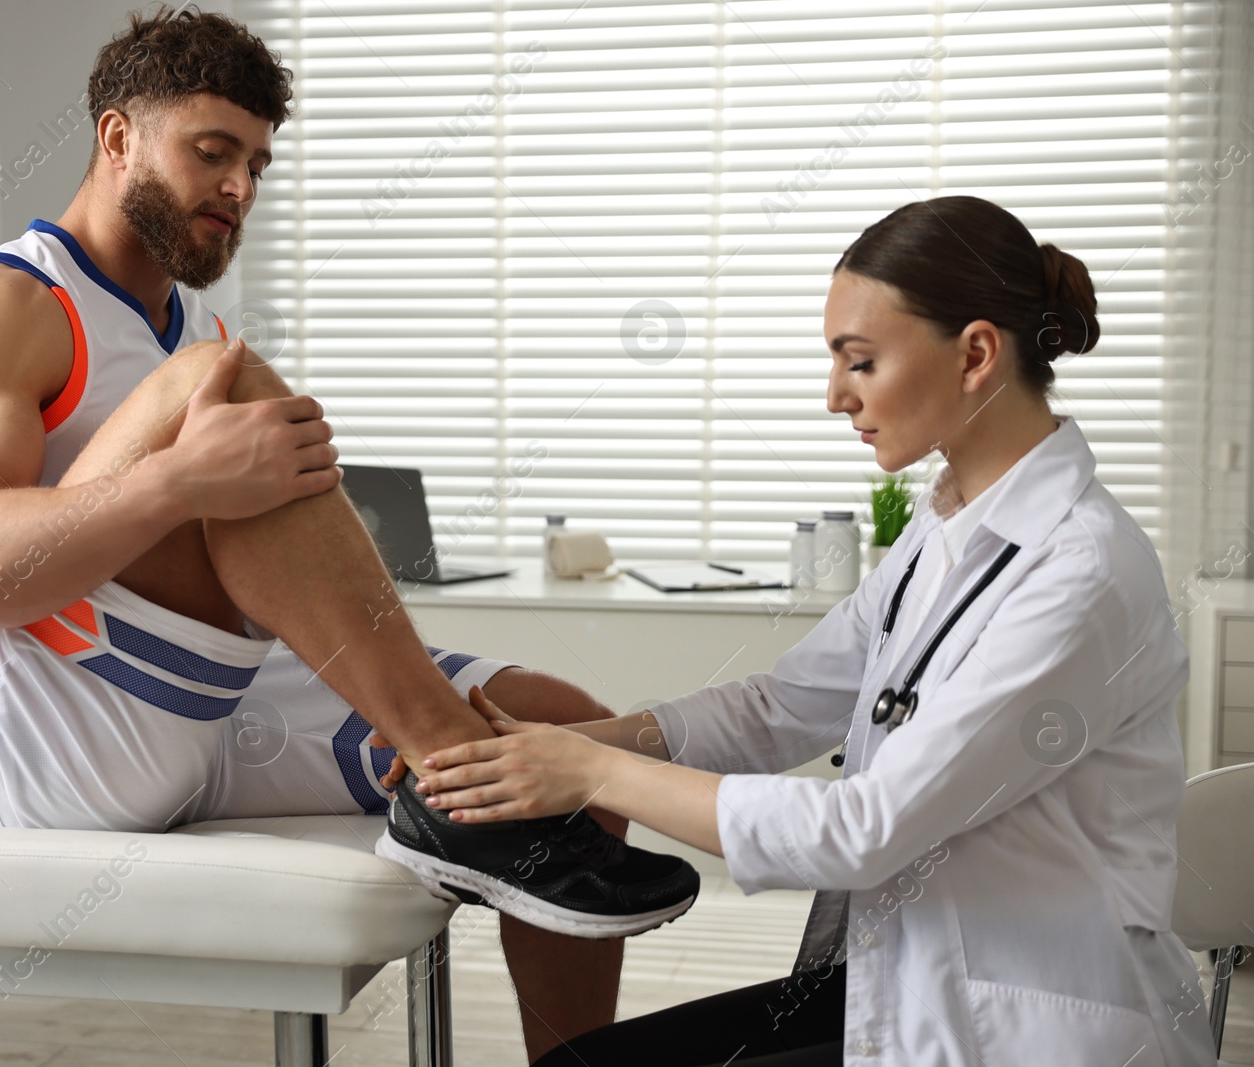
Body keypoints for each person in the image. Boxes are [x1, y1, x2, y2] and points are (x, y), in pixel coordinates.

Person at [0, 5, 696, 1060]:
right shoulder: (5, 305)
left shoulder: (193, 323)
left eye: (257, 164)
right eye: (211, 152)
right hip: (21, 725)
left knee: (560, 735)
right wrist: (180, 478)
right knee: (215, 391)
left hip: (201, 695)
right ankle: (447, 767)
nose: (239, 190)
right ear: (117, 138)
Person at [407, 196, 1219, 1066]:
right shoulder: (944, 530)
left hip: (1029, 1026)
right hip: (918, 978)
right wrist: (555, 740)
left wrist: (596, 771)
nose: (835, 396)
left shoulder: (1079, 571)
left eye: (860, 362)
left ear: (977, 354)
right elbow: (782, 704)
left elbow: (864, 828)